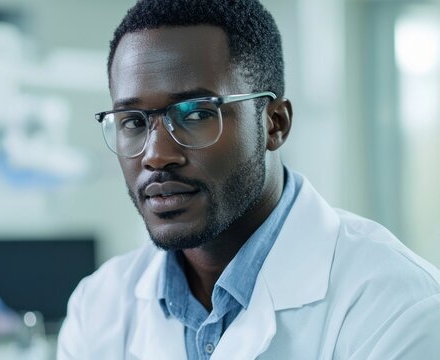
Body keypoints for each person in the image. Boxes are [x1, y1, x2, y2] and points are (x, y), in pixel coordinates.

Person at [57, 0, 440, 358]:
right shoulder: (98, 306)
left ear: (275, 123)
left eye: (195, 114)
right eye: (133, 122)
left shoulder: (397, 307)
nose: (157, 154)